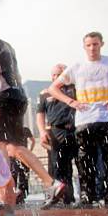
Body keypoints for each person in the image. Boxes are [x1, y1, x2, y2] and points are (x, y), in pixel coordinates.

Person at [0, 21, 66, 207]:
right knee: (15, 147)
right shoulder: (6, 45)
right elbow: (15, 75)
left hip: (1, 97)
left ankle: (6, 195)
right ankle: (51, 183)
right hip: (18, 97)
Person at [48, 31, 108, 204]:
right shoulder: (77, 66)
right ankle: (88, 195)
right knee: (85, 160)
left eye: (95, 44)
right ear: (84, 46)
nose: (92, 48)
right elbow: (53, 88)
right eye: (88, 45)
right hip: (85, 120)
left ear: (101, 44)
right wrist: (71, 101)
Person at [37, 64, 78, 204]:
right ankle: (58, 198)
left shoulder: (75, 89)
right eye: (53, 75)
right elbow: (40, 114)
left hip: (75, 130)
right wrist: (42, 131)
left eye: (59, 74)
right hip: (56, 131)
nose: (55, 77)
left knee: (81, 164)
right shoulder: (45, 93)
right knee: (56, 167)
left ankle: (77, 197)